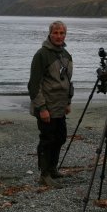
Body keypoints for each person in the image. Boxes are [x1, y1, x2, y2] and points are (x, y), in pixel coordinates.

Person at [28, 21, 74, 189]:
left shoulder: (66, 55)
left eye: (62, 33)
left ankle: (53, 168)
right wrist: (42, 108)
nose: (58, 36)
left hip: (60, 107)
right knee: (47, 140)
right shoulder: (41, 54)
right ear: (50, 34)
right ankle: (44, 174)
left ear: (65, 35)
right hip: (46, 106)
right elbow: (34, 85)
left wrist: (68, 102)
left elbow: (68, 81)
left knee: (60, 138)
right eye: (55, 32)